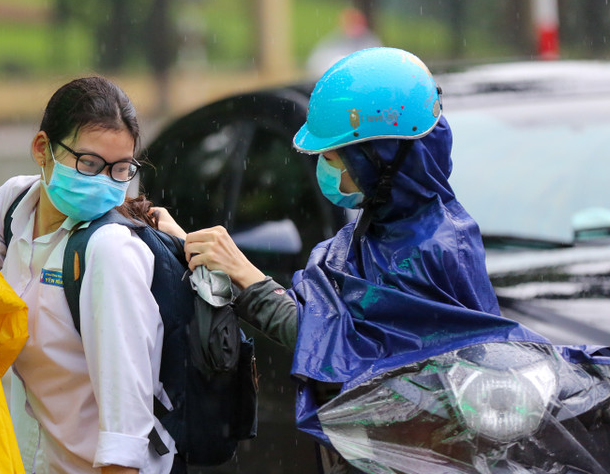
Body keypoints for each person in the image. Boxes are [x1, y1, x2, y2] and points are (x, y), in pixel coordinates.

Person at [155, 47, 547, 471]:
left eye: (331, 156)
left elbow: (357, 358)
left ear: (374, 158)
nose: (324, 168)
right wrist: (193, 249)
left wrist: (247, 276)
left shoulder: (433, 248)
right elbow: (330, 331)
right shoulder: (378, 230)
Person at [0, 76, 176, 474]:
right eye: (89, 164)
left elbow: (126, 430)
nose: (104, 182)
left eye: (119, 170)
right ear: (42, 149)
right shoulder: (15, 205)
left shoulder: (109, 252)